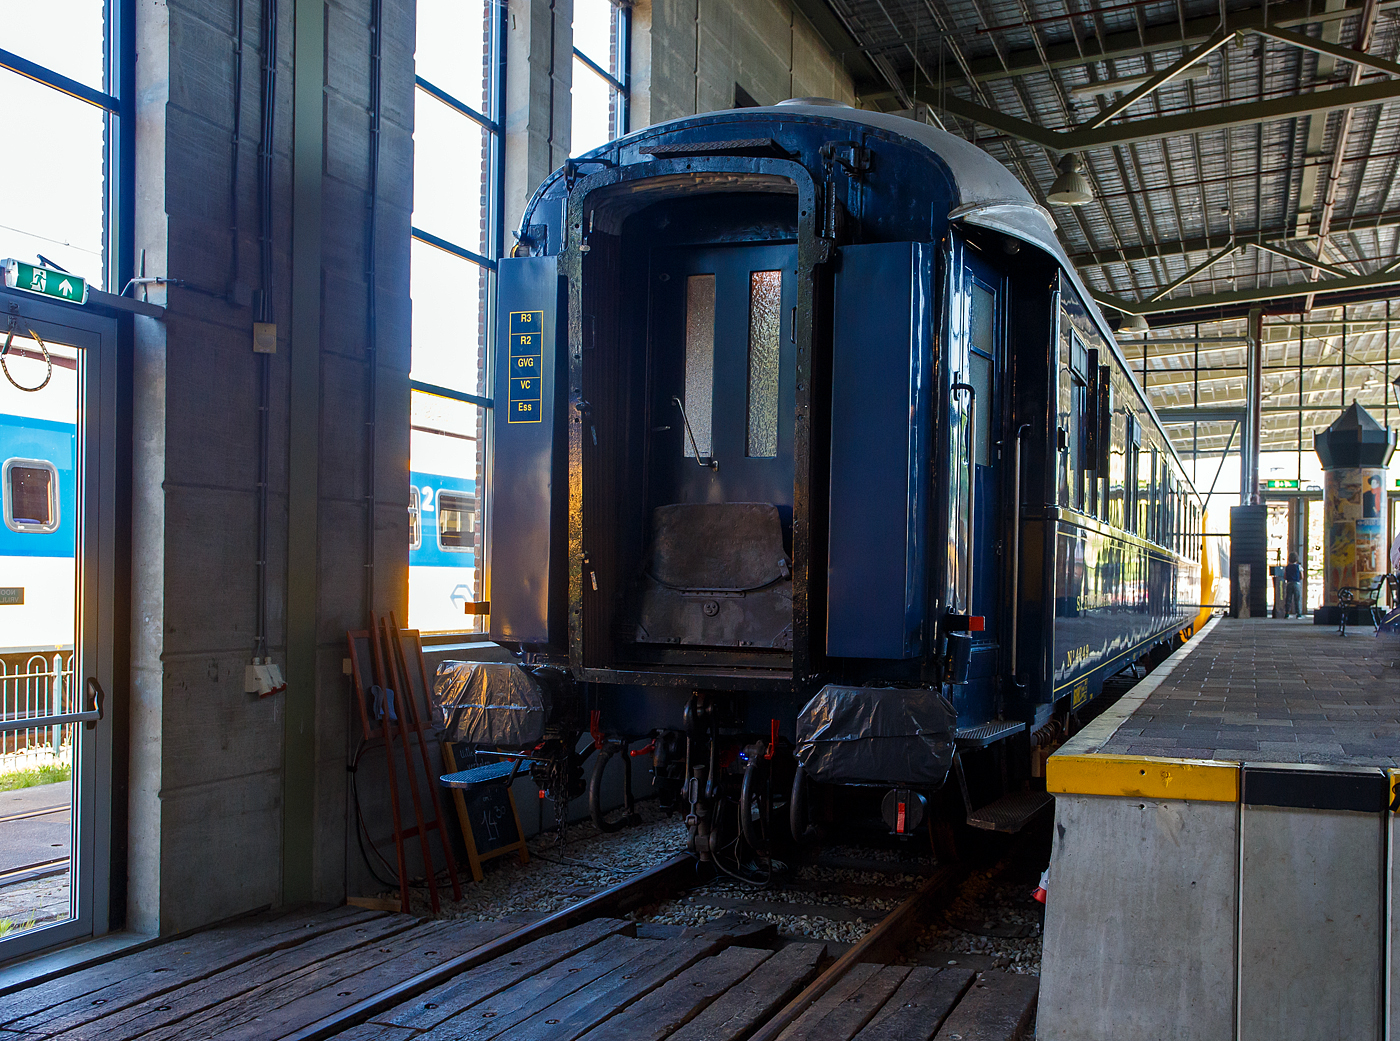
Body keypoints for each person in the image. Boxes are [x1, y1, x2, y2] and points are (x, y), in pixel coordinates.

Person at [1284, 554, 1303, 618]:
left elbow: (1285, 576)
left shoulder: (1287, 567)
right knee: (1297, 599)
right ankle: (1298, 614)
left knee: (1288, 599)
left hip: (1289, 583)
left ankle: (1287, 613)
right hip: (1296, 583)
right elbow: (1302, 576)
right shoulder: (1299, 566)